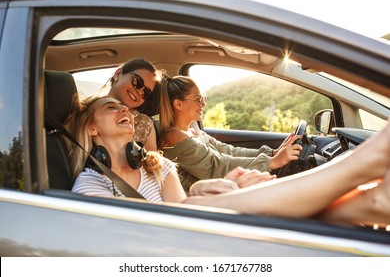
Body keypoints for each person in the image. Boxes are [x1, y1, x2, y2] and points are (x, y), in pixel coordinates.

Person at [65, 94, 390, 227]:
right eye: (111, 108)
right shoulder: (89, 186)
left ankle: (368, 202)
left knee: (211, 192)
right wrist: (215, 190)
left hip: (187, 235)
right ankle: (359, 170)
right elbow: (143, 233)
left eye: (124, 108)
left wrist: (219, 186)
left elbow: (182, 208)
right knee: (205, 197)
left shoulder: (155, 164)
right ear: (92, 128)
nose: (124, 110)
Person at [158, 75, 303, 191]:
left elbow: (228, 151)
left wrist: (272, 153)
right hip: (195, 201)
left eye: (203, 98)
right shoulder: (173, 136)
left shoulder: (192, 130)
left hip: (214, 193)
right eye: (198, 100)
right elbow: (216, 166)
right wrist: (272, 162)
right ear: (178, 104)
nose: (203, 104)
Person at [106, 57, 160, 151]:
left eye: (146, 93)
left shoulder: (144, 124)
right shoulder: (87, 111)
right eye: (137, 82)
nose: (140, 92)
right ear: (118, 74)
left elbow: (152, 164)